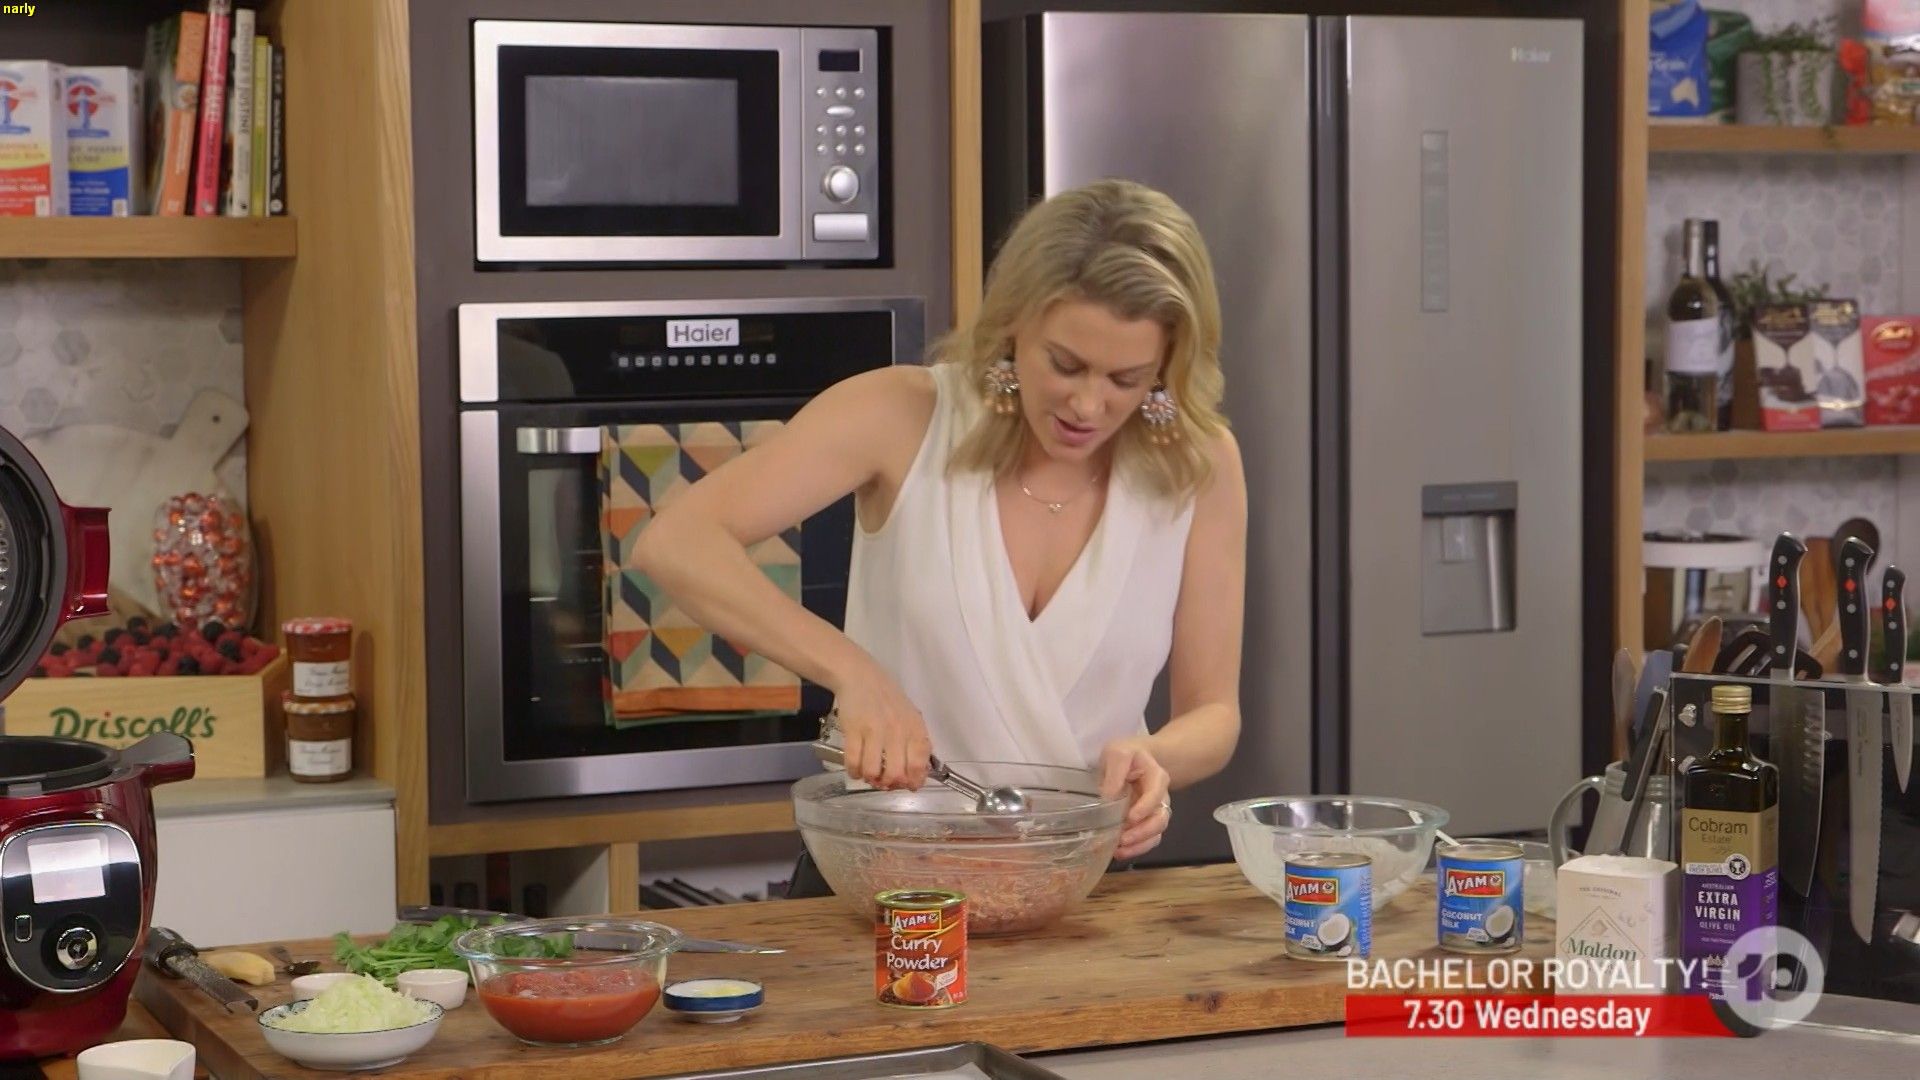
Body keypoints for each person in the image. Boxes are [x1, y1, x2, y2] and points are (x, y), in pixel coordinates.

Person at [634, 179, 1247, 863]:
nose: (1087, 405)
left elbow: (1214, 714)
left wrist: (1155, 756)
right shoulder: (901, 415)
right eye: (1065, 364)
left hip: (1077, 890)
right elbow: (677, 542)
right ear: (1014, 326)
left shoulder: (1199, 465)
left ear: (1165, 367)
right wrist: (855, 674)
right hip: (890, 884)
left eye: (1125, 379)